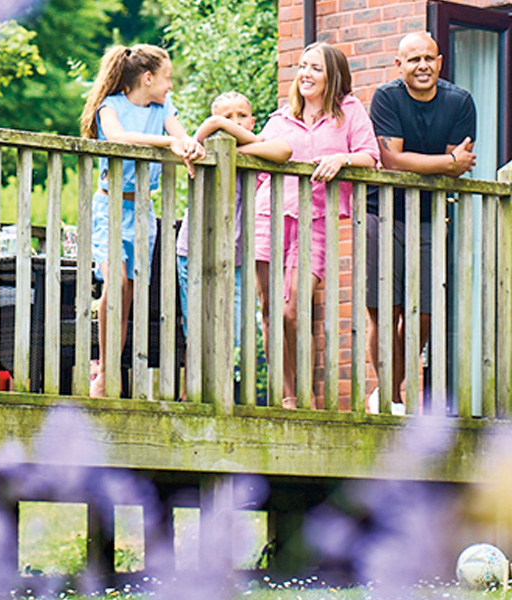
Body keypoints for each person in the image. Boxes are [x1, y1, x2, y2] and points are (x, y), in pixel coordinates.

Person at [253, 42, 380, 409]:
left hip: (317, 221)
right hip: (271, 215)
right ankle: (287, 393)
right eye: (302, 66)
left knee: (294, 309)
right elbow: (260, 163)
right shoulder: (280, 118)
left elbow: (371, 156)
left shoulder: (349, 112)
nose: (305, 74)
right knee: (270, 309)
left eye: (316, 68)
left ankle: (305, 388)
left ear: (332, 76)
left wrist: (341, 158)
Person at [80, 44, 205, 399]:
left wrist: (190, 146)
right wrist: (167, 142)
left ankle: (110, 369)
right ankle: (103, 369)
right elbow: (118, 138)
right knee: (115, 283)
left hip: (144, 214)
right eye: (167, 78)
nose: (170, 86)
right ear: (147, 78)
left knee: (129, 292)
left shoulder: (163, 108)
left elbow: (182, 136)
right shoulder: (111, 107)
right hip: (111, 208)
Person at [365, 32, 477, 414]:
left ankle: (394, 386)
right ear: (399, 65)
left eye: (429, 58)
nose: (422, 66)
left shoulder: (459, 101)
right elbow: (392, 161)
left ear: (440, 62)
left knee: (425, 313)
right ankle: (390, 395)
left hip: (431, 217)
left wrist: (445, 167)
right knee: (387, 308)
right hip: (383, 212)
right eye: (413, 60)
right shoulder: (386, 97)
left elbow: (456, 173)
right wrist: (446, 163)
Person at [175, 91, 291, 399]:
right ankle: (192, 397)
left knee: (233, 331)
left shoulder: (259, 149)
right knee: (197, 329)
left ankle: (222, 397)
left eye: (241, 116)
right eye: (226, 117)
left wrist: (223, 126)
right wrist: (204, 133)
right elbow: (194, 142)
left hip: (238, 257)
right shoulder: (201, 149)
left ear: (252, 121)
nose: (234, 122)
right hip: (196, 250)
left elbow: (284, 151)